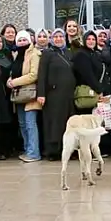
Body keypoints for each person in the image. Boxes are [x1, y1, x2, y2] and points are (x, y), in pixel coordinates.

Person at [37, 29, 76, 159]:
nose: (59, 39)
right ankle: (53, 151)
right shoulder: (48, 53)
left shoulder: (69, 53)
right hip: (53, 94)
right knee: (53, 123)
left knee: (67, 123)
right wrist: (41, 94)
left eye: (61, 36)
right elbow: (41, 74)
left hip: (68, 94)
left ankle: (68, 149)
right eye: (56, 36)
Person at [7, 30, 41, 162]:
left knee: (30, 123)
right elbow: (14, 71)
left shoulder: (34, 54)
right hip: (19, 94)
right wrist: (10, 80)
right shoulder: (17, 55)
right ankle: (28, 149)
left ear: (30, 40)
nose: (22, 42)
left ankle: (34, 153)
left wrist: (14, 82)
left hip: (31, 93)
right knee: (22, 123)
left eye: (24, 40)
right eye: (19, 40)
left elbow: (34, 74)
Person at [73, 31, 106, 113]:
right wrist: (99, 89)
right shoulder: (81, 54)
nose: (91, 41)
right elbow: (88, 75)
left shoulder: (95, 53)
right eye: (88, 39)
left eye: (93, 39)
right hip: (86, 93)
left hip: (94, 91)